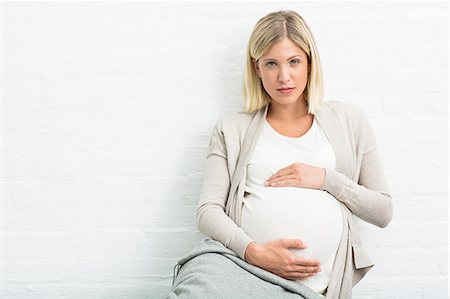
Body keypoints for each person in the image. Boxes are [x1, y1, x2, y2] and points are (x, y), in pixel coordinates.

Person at [168, 10, 393, 299]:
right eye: (271, 63)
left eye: (294, 62)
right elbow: (207, 211)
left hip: (314, 287)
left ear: (310, 63)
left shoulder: (349, 119)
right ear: (257, 68)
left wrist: (327, 179)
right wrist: (253, 251)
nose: (284, 77)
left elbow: (383, 212)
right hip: (242, 269)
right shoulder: (232, 129)